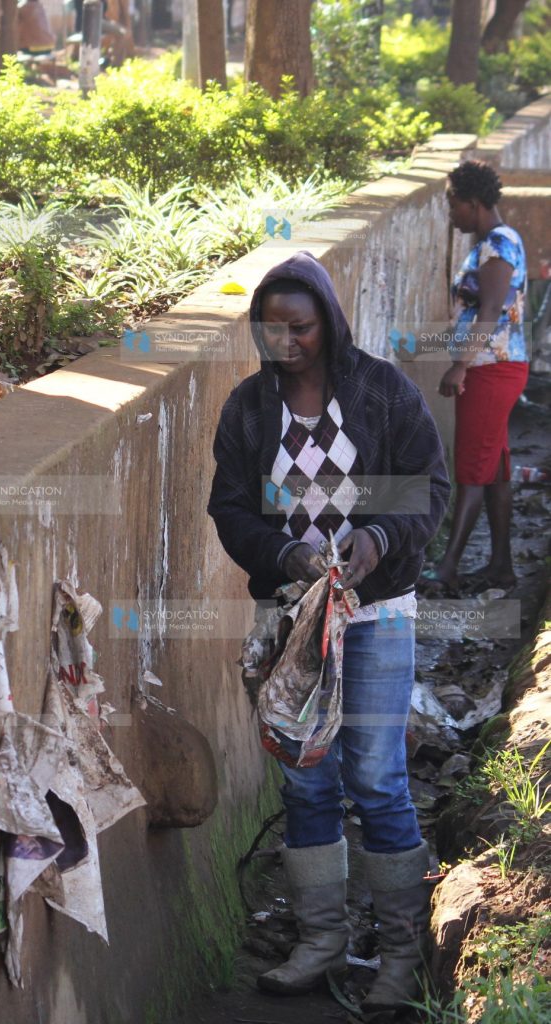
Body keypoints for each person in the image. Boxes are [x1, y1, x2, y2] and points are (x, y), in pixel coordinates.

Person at [208, 253, 450, 1013]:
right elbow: (231, 510)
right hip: (290, 617)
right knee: (306, 778)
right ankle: (318, 940)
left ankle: (401, 954)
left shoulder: (381, 393)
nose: (286, 342)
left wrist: (375, 540)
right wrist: (285, 554)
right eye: (270, 328)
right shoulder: (249, 411)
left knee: (375, 778)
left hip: (374, 612)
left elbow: (427, 487)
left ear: (329, 322)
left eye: (300, 327)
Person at [419, 160, 529, 597]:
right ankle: (501, 566)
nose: (450, 212)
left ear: (475, 202)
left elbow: (489, 311)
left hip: (490, 368)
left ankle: (447, 568)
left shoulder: (499, 246)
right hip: (493, 366)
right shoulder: (492, 242)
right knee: (495, 469)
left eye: (453, 202)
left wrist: (460, 364)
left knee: (470, 470)